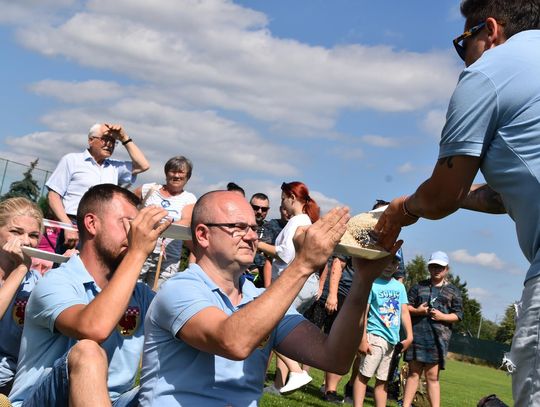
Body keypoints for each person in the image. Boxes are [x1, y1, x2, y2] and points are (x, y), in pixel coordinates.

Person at [373, 2, 540, 404]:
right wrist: (456, 193)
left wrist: (401, 209)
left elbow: (442, 196)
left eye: (464, 41)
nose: (464, 55)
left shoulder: (489, 71)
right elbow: (499, 195)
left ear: (491, 30)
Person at [137, 190, 402, 406]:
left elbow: (335, 359)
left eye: (255, 228)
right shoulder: (179, 289)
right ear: (203, 235)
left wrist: (363, 281)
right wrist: (303, 264)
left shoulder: (261, 299)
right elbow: (233, 342)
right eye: (238, 227)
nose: (252, 236)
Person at [9, 184, 171, 406]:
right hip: (44, 401)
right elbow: (94, 328)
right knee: (88, 352)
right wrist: (137, 253)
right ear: (92, 224)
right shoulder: (56, 283)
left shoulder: (140, 295)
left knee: (169, 388)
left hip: (112, 401)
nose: (135, 233)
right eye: (127, 223)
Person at [46, 123, 150, 253]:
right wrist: (67, 225)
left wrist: (124, 137)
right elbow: (53, 195)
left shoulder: (115, 167)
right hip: (75, 224)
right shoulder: (72, 160)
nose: (109, 144)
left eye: (113, 141)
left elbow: (143, 165)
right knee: (66, 264)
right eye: (105, 139)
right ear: (91, 140)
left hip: (104, 227)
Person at [258, 181, 321, 393]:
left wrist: (257, 244)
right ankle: (282, 382)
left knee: (267, 328)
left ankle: (296, 372)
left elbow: (285, 254)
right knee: (279, 330)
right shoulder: (302, 220)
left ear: (292, 198)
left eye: (283, 198)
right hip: (301, 284)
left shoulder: (298, 221)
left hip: (293, 283)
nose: (282, 203)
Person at [401, 251, 462, 407]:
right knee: (413, 373)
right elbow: (405, 307)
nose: (436, 270)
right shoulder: (418, 286)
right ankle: (405, 405)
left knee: (432, 377)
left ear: (447, 269)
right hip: (417, 336)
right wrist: (418, 311)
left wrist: (442, 316)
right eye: (433, 266)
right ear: (429, 268)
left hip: (438, 340)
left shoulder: (454, 291)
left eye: (440, 267)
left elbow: (458, 315)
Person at [352, 252, 413, 407]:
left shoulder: (399, 287)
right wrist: (363, 339)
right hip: (375, 337)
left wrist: (410, 336)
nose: (389, 265)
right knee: (364, 376)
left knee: (383, 381)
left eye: (393, 262)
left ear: (397, 266)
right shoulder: (371, 283)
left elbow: (404, 312)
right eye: (386, 261)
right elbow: (364, 313)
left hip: (392, 341)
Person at [0, 198, 42, 396]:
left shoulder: (37, 281)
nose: (25, 241)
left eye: (33, 235)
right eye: (16, 232)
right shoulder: (23, 271)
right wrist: (20, 269)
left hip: (16, 382)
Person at [134, 156, 196, 289]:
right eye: (173, 171)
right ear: (166, 173)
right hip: (141, 249)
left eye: (181, 172)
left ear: (187, 177)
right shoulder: (149, 189)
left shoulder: (189, 198)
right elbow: (127, 206)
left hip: (168, 258)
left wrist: (155, 225)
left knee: (158, 294)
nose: (176, 176)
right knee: (131, 289)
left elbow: (186, 221)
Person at [303, 254, 355, 403]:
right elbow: (338, 263)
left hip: (351, 298)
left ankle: (328, 387)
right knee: (315, 336)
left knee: (337, 344)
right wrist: (332, 294)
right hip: (336, 295)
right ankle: (302, 375)